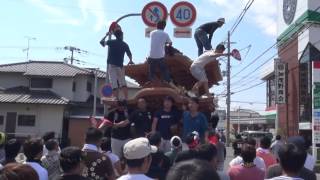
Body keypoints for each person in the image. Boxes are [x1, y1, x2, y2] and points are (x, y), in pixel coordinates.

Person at [100, 29, 133, 100]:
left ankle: (116, 98)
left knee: (114, 84)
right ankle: (126, 98)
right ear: (121, 35)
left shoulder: (111, 42)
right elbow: (129, 54)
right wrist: (130, 61)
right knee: (123, 83)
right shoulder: (124, 44)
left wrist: (106, 35)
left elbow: (101, 42)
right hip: (120, 66)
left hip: (112, 66)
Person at [148, 20, 172, 84]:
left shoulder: (152, 33)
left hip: (151, 56)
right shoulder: (165, 34)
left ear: (157, 26)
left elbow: (156, 40)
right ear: (164, 27)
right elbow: (170, 43)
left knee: (151, 71)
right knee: (164, 69)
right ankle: (167, 81)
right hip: (160, 57)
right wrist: (166, 44)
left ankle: (153, 80)